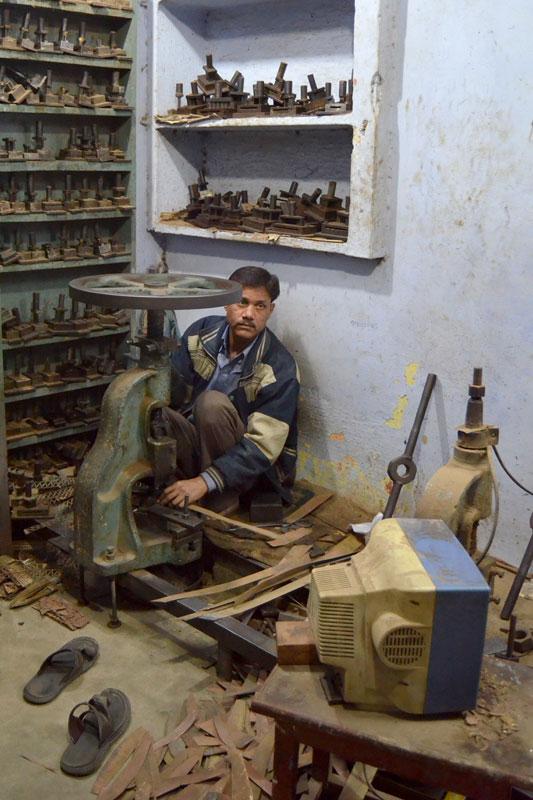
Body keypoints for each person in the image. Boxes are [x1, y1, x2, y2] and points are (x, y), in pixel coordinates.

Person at [159, 266, 299, 511]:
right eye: (241, 302)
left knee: (211, 405)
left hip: (248, 469)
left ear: (271, 310)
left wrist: (205, 482)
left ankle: (221, 498)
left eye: (260, 306)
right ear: (226, 303)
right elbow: (170, 392)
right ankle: (173, 485)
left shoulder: (280, 367)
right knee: (151, 411)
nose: (248, 314)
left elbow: (262, 447)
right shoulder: (200, 334)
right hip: (197, 444)